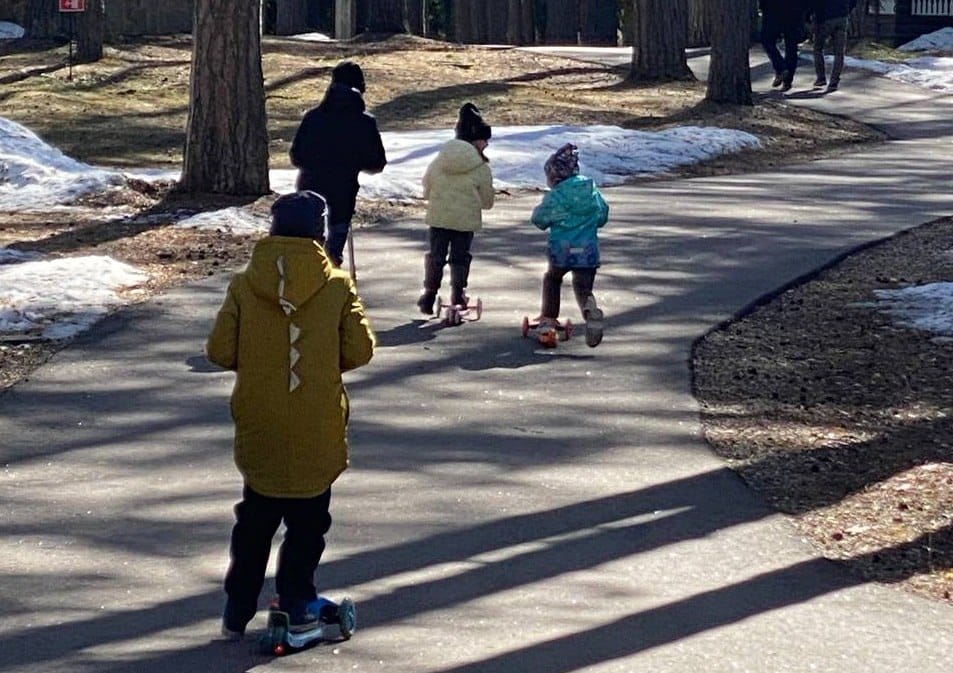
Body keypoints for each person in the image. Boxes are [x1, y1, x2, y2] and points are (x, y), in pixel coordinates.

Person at [206, 190, 375, 640]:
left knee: (255, 521)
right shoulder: (337, 285)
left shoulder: (245, 283)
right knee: (308, 524)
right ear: (319, 233)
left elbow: (220, 350)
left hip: (260, 421)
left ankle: (237, 607)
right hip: (315, 426)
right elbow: (360, 351)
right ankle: (296, 597)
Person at [290, 61, 387, 267]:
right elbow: (377, 163)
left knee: (306, 256)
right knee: (331, 258)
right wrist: (353, 161)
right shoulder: (364, 122)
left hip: (310, 193)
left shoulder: (313, 117)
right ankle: (329, 292)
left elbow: (296, 156)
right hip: (342, 196)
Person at [416, 103, 494, 314]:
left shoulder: (440, 160)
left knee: (436, 255)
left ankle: (429, 294)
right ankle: (458, 294)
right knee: (460, 257)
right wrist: (482, 203)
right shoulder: (480, 167)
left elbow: (427, 185)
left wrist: (432, 197)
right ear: (476, 139)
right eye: (485, 140)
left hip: (438, 218)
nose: (486, 144)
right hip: (465, 221)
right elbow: (487, 200)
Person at [531, 143, 609, 348]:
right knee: (583, 288)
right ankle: (589, 309)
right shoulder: (591, 191)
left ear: (555, 177)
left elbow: (539, 220)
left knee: (553, 278)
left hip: (562, 250)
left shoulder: (556, 196)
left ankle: (548, 318)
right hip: (588, 251)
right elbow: (602, 215)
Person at [760, 0, 808, 92]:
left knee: (767, 40)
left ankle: (781, 68)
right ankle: (787, 80)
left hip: (773, 10)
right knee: (791, 47)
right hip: (795, 11)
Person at [808, 0, 856, 91]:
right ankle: (834, 81)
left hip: (825, 18)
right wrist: (847, 11)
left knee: (818, 48)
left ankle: (821, 77)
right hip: (842, 17)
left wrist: (811, 16)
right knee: (839, 52)